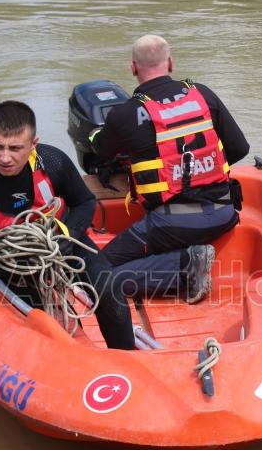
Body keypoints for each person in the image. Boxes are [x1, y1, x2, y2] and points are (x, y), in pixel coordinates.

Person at [0, 101, 135, 350]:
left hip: (58, 245)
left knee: (109, 289)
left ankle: (127, 357)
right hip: (8, 262)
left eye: (15, 148)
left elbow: (85, 202)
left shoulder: (52, 162)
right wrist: (3, 267)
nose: (5, 157)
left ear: (33, 144)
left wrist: (67, 239)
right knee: (45, 325)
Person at [89, 34, 250, 303]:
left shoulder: (125, 115)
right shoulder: (203, 95)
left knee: (97, 274)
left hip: (170, 224)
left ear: (133, 67)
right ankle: (185, 262)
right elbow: (239, 148)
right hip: (224, 213)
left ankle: (185, 266)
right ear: (171, 62)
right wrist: (201, 171)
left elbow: (101, 151)